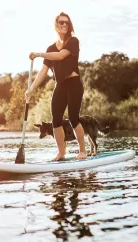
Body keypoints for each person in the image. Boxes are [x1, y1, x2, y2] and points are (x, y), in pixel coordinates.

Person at [25, 12, 87, 161]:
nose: (64, 25)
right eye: (61, 22)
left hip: (74, 84)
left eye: (67, 22)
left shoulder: (73, 41)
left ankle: (83, 151)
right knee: (56, 120)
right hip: (60, 85)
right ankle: (61, 153)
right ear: (56, 25)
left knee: (73, 118)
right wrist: (30, 89)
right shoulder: (51, 47)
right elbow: (43, 71)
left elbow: (60, 56)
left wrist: (39, 54)